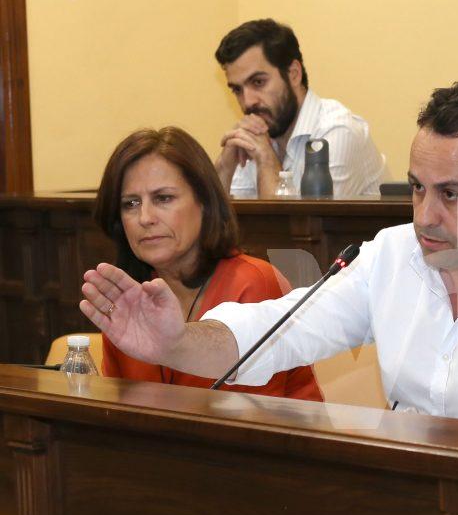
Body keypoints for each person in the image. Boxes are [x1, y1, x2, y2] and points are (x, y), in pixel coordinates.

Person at [81, 80, 458, 426]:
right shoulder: (392, 255)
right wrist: (176, 342)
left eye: (451, 194)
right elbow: (275, 332)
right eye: (417, 188)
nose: (424, 215)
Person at [92, 126, 323, 401]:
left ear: (204, 203)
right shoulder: (126, 296)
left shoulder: (253, 282)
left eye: (163, 198)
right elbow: (117, 411)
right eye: (130, 203)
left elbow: (246, 417)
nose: (145, 218)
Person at [213, 19, 387, 198]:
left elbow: (299, 217)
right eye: (237, 90)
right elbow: (219, 215)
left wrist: (266, 158)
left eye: (258, 82)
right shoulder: (256, 135)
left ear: (294, 74)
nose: (248, 102)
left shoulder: (338, 132)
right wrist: (224, 166)